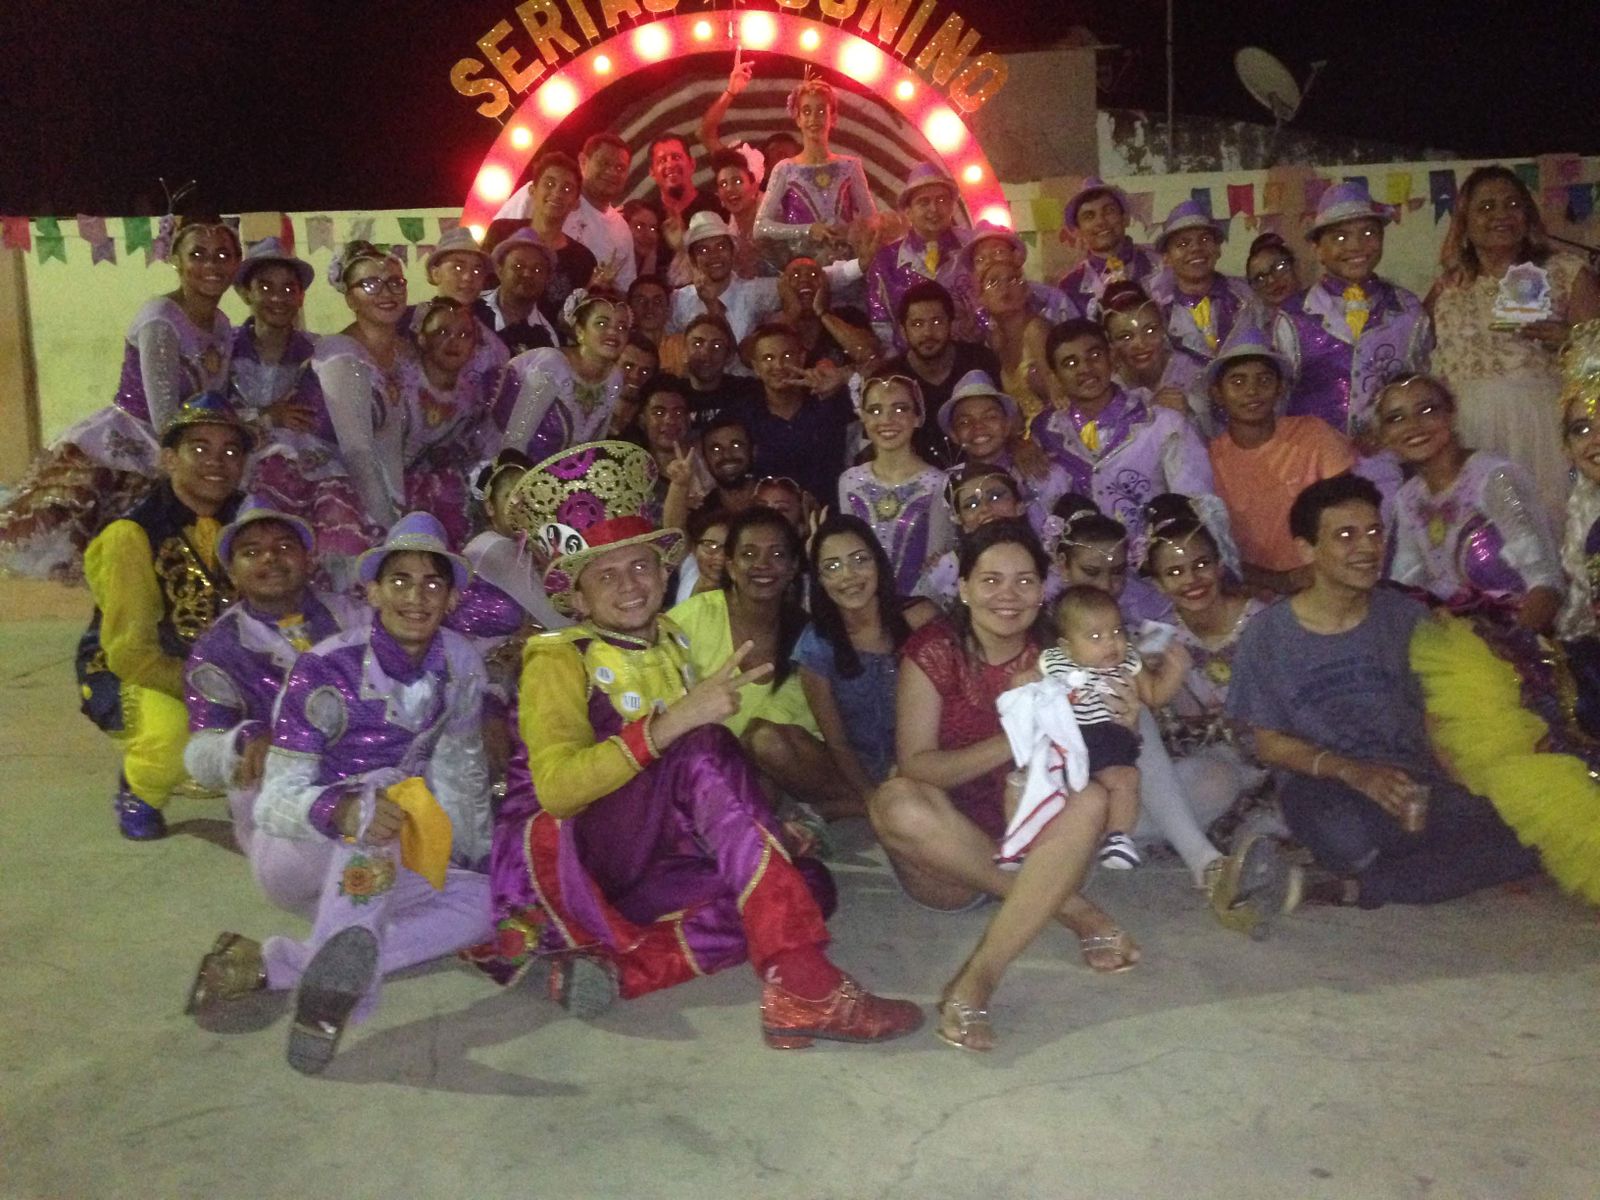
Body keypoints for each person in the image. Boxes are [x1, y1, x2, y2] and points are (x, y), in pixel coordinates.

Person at [485, 440, 923, 1047]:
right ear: (578, 598)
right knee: (705, 743)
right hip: (581, 865)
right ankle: (805, 984)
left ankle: (624, 973)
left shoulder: (671, 639)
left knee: (807, 884)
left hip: (655, 861)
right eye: (606, 575)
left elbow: (685, 790)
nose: (630, 585)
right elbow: (558, 792)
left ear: (664, 572)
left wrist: (759, 828)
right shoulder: (557, 660)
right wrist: (675, 722)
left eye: (641, 567)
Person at [192, 513, 494, 1074]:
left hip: (374, 859)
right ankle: (325, 1007)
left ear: (452, 598)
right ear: (372, 591)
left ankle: (286, 965)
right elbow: (275, 801)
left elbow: (461, 768)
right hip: (296, 851)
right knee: (382, 790)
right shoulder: (326, 667)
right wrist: (342, 808)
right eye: (399, 581)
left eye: (432, 583)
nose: (416, 597)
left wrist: (472, 852)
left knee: (483, 902)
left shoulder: (460, 661)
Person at [870, 520, 1134, 1052]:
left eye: (1024, 581)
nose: (1008, 595)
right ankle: (1074, 910)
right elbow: (917, 765)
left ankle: (977, 981)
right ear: (964, 588)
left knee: (1091, 799)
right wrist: (1012, 741)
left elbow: (1098, 753)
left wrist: (1121, 727)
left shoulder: (1064, 652)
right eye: (991, 580)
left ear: (1043, 591)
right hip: (949, 861)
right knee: (895, 802)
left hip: (1041, 843)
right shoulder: (934, 651)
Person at [1225, 474, 1541, 907]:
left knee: (1528, 832)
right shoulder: (1267, 635)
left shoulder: (1409, 620)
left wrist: (1468, 787)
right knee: (1348, 838)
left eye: (1375, 532)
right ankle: (1391, 871)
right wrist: (1355, 773)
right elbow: (1269, 745)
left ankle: (1350, 887)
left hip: (1412, 782)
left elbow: (1437, 720)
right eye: (1346, 536)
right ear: (1307, 550)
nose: (1367, 548)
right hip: (1326, 785)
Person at [0, 217, 237, 582]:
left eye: (222, 255)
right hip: (142, 437)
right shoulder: (160, 319)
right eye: (198, 254)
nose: (211, 265)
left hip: (193, 438)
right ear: (176, 260)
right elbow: (164, 418)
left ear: (236, 262)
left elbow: (215, 397)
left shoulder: (221, 323)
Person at [78, 393, 249, 840]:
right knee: (169, 740)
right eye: (200, 448)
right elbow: (131, 652)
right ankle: (141, 788)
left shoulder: (252, 520)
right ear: (169, 459)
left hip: (230, 668)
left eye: (231, 451)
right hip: (140, 671)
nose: (217, 462)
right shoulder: (132, 535)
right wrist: (210, 691)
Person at [181, 501, 366, 907]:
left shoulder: (353, 617)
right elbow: (200, 754)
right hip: (285, 798)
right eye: (251, 552)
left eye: (284, 547)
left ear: (307, 559)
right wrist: (243, 741)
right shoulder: (219, 649)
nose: (270, 558)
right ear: (231, 572)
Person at [1428, 164, 1600, 518]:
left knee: (1548, 525)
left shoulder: (1566, 271)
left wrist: (1571, 342)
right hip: (1469, 431)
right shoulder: (1448, 286)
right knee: (1479, 532)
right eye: (1486, 207)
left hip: (1542, 427)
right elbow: (1416, 355)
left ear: (1528, 215)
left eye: (1512, 204)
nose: (1501, 214)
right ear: (1464, 221)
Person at [670, 507, 854, 820]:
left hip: (784, 762)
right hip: (708, 764)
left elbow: (791, 740)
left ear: (793, 567)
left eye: (777, 554)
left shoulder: (808, 637)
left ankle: (857, 804)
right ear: (730, 566)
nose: (763, 565)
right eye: (749, 554)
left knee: (766, 743)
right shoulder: (691, 619)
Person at [1034, 319, 1233, 561]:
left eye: (1094, 355)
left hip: (1158, 571)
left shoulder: (1161, 424)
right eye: (1070, 363)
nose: (1085, 368)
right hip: (1081, 576)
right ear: (1055, 377)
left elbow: (1198, 503)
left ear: (1112, 358)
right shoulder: (1047, 434)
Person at [1378, 374, 1562, 632]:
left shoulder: (1495, 478)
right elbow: (1406, 586)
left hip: (1521, 639)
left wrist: (1514, 646)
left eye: (1427, 410)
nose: (1413, 425)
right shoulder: (1408, 497)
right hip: (1450, 641)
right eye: (1395, 418)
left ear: (1451, 413)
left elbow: (1547, 584)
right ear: (1384, 435)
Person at [1037, 585, 1189, 869]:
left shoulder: (1128, 662)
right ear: (1066, 646)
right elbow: (1029, 692)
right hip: (1068, 739)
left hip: (1110, 738)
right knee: (1050, 788)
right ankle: (1030, 839)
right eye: (1095, 637)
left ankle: (1118, 838)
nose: (1111, 643)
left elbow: (1153, 695)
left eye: (1117, 631)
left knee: (1127, 779)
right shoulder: (1055, 663)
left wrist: (1175, 672)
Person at [1272, 181, 1433, 444]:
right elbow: (1277, 401)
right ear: (1318, 249)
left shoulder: (1407, 310)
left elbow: (1423, 388)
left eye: (1368, 233)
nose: (1356, 246)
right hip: (1314, 457)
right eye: (1340, 237)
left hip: (1391, 455)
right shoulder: (1293, 316)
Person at [797, 514, 938, 799]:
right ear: (820, 580)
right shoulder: (816, 644)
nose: (848, 575)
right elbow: (837, 742)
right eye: (832, 567)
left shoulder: (920, 617)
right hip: (863, 772)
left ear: (879, 563)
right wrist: (871, 798)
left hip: (929, 762)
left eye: (860, 560)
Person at [1205, 328, 1356, 594]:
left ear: (1280, 388)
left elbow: (1350, 511)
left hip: (1323, 582)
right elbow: (1211, 548)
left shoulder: (1313, 434)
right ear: (1217, 394)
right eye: (1238, 382)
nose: (1252, 391)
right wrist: (1279, 581)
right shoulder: (1208, 459)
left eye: (1264, 380)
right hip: (1251, 591)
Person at [310, 241, 415, 581]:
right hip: (343, 490)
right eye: (370, 284)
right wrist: (391, 531)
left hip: (396, 484)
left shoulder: (408, 352)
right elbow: (357, 452)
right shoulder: (339, 354)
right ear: (350, 298)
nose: (386, 293)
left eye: (395, 282)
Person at [668, 212, 864, 351]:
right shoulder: (679, 300)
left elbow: (806, 279)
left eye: (721, 247)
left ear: (732, 252)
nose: (714, 255)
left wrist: (861, 265)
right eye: (703, 250)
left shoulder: (753, 291)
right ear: (692, 258)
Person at [837, 374, 953, 596]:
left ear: (917, 417)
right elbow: (849, 554)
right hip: (863, 603)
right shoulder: (850, 481)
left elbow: (937, 565)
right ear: (863, 418)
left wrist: (912, 610)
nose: (887, 419)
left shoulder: (938, 483)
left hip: (920, 607)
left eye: (900, 409)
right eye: (875, 410)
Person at [403, 298, 501, 547]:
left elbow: (485, 451)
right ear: (422, 338)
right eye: (442, 332)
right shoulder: (400, 384)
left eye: (464, 335)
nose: (453, 341)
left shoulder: (470, 397)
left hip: (436, 496)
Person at [753, 76, 876, 268]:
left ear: (833, 117)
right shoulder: (785, 169)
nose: (813, 119)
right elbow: (760, 227)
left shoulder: (850, 166)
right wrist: (809, 230)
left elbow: (872, 221)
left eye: (821, 111)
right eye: (806, 111)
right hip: (803, 271)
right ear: (798, 118)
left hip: (846, 269)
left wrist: (850, 230)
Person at [724, 322, 853, 505]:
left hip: (829, 512)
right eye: (768, 358)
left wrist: (843, 377)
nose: (779, 365)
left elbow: (875, 374)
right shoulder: (743, 416)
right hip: (770, 516)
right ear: (756, 367)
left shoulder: (831, 401)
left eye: (787, 356)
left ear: (801, 358)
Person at [497, 286, 630, 461]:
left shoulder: (614, 378)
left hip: (567, 475)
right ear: (580, 331)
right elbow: (514, 442)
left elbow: (594, 449)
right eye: (601, 323)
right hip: (510, 463)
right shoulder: (552, 365)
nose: (613, 332)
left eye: (622, 327)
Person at [881, 281, 1003, 466]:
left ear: (951, 324)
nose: (927, 333)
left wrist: (1020, 443)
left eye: (937, 322)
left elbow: (1004, 416)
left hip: (982, 465)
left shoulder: (979, 361)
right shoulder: (889, 377)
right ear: (903, 331)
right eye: (917, 324)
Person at [1146, 199, 1257, 379]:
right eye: (1182, 244)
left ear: (1218, 249)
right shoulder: (1156, 311)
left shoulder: (1248, 295)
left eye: (1205, 239)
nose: (1196, 248)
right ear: (1166, 258)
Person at [865, 165, 968, 348]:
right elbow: (881, 322)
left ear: (952, 207)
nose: (934, 209)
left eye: (941, 200)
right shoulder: (886, 260)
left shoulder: (972, 248)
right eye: (923, 202)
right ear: (908, 211)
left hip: (970, 356)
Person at [1057, 177, 1160, 320]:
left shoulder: (1161, 263)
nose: (1100, 221)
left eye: (1109, 211)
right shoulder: (1070, 287)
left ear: (1125, 218)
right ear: (1077, 231)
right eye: (1089, 216)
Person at [1101, 281, 1202, 424]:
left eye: (1150, 330)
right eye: (1126, 337)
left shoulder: (1192, 375)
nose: (1141, 344)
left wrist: (1190, 415)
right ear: (1110, 342)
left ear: (1163, 328)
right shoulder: (1106, 389)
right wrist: (1147, 413)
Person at [970, 254, 1051, 425]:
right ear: (982, 298)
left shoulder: (1036, 331)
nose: (1004, 287)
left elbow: (1060, 395)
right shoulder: (993, 341)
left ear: (1026, 290)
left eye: (1013, 280)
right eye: (993, 282)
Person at [563, 133, 637, 290]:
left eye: (620, 168)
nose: (612, 172)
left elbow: (625, 290)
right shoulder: (549, 197)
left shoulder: (622, 231)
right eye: (604, 163)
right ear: (583, 161)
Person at [778, 253, 878, 369]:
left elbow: (869, 354)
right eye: (795, 275)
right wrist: (792, 313)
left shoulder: (849, 316)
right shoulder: (771, 324)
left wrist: (823, 312)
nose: (804, 280)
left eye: (813, 275)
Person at [484, 229, 560, 354]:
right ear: (499, 270)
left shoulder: (546, 340)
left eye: (537, 269)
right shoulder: (471, 308)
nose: (527, 274)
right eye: (518, 266)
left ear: (547, 278)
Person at [679, 312, 760, 429]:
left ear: (728, 356)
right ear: (684, 352)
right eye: (697, 343)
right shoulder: (671, 394)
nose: (706, 353)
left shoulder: (747, 391)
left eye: (717, 346)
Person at [709, 145, 770, 277]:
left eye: (737, 181)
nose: (729, 189)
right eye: (723, 184)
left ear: (754, 186)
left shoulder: (774, 217)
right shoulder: (729, 232)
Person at [673, 506, 731, 603]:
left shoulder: (738, 600)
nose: (720, 557)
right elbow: (674, 525)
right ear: (694, 549)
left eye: (728, 548)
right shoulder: (690, 570)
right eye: (710, 546)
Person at [1244, 232, 1302, 314]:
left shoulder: (1318, 306)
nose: (1271, 281)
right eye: (1260, 278)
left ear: (1295, 265)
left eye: (1278, 268)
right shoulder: (1249, 320)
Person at [623, 198, 671, 281]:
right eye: (639, 226)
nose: (649, 235)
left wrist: (650, 260)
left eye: (653, 228)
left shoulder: (664, 273)